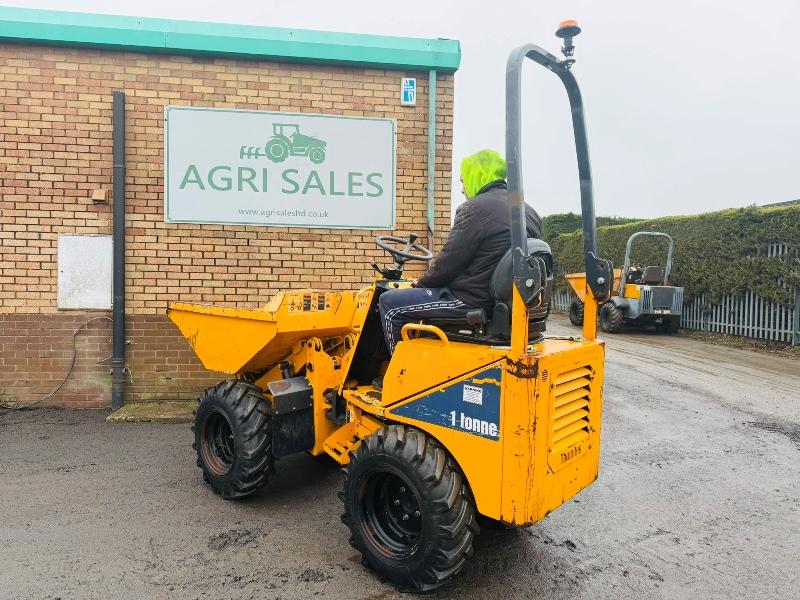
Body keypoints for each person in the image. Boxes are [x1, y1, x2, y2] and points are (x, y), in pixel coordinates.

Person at [378, 148, 542, 355]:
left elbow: (448, 263)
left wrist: (421, 283)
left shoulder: (474, 209)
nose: (463, 190)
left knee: (390, 303)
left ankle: (400, 371)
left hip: (471, 300)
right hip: (509, 304)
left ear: (477, 175)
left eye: (463, 182)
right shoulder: (529, 212)